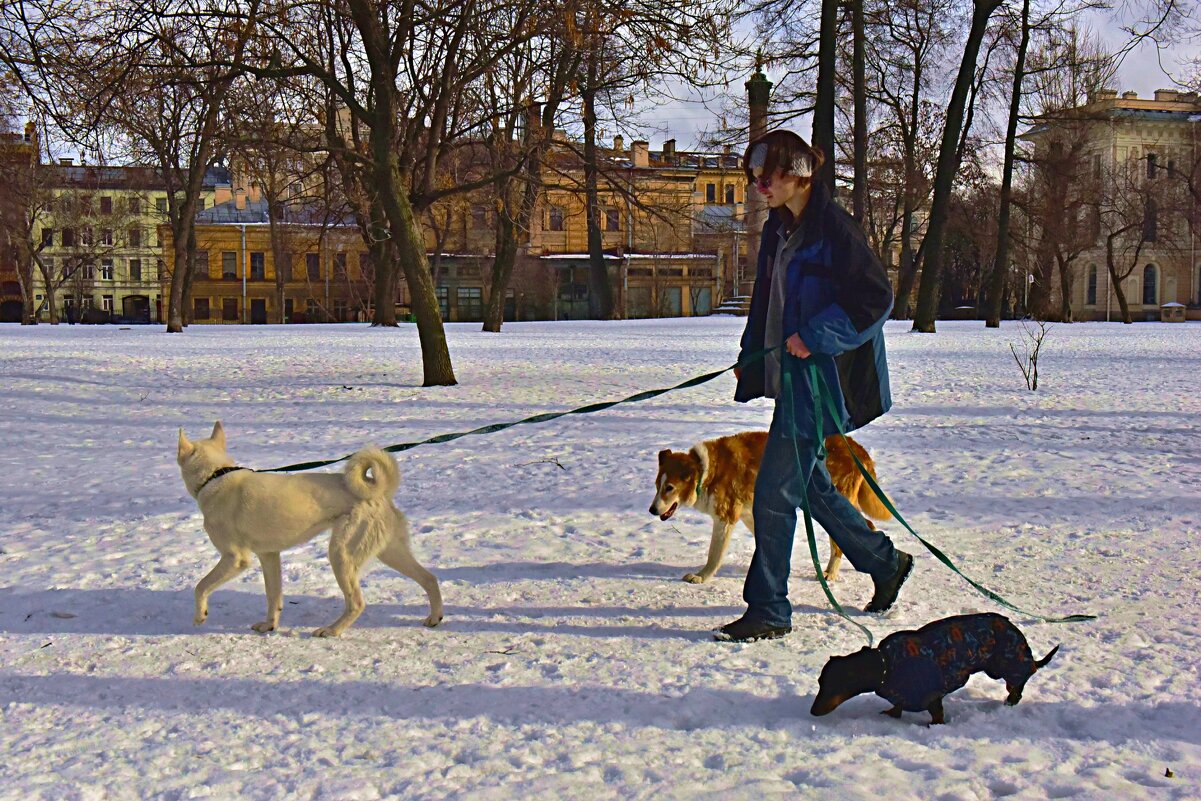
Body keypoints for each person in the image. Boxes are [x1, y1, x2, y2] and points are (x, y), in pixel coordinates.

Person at [715, 129, 913, 643]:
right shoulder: (776, 231)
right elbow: (766, 298)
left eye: (769, 173)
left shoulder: (835, 230)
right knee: (810, 487)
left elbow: (875, 299)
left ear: (800, 174)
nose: (760, 183)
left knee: (775, 491)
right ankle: (885, 563)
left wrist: (818, 334)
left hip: (826, 384)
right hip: (791, 376)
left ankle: (769, 610)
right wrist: (750, 357)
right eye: (755, 173)